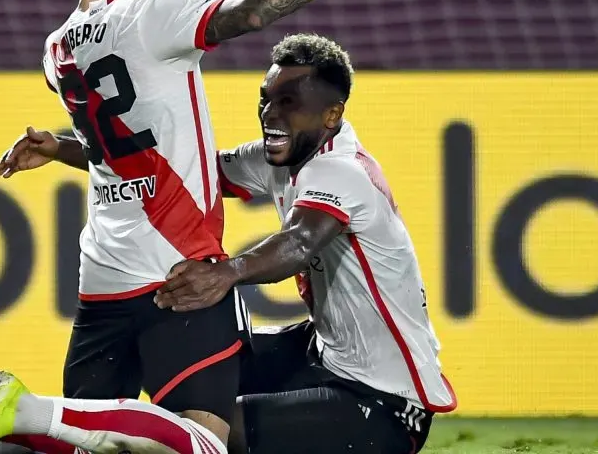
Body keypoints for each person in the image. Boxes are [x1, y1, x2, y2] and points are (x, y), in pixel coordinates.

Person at [0, 0, 428, 454]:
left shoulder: (61, 44)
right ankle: (20, 409)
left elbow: (151, 155)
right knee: (203, 442)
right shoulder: (161, 9)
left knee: (84, 444)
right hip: (175, 267)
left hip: (103, 274)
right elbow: (254, 10)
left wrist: (63, 146)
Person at [154, 33, 458, 453]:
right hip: (323, 354)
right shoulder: (284, 155)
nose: (269, 113)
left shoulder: (341, 171)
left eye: (288, 102)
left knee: (215, 432)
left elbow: (299, 243)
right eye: (266, 99)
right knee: (200, 369)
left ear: (331, 114)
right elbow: (182, 175)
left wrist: (226, 273)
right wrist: (83, 150)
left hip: (384, 402)